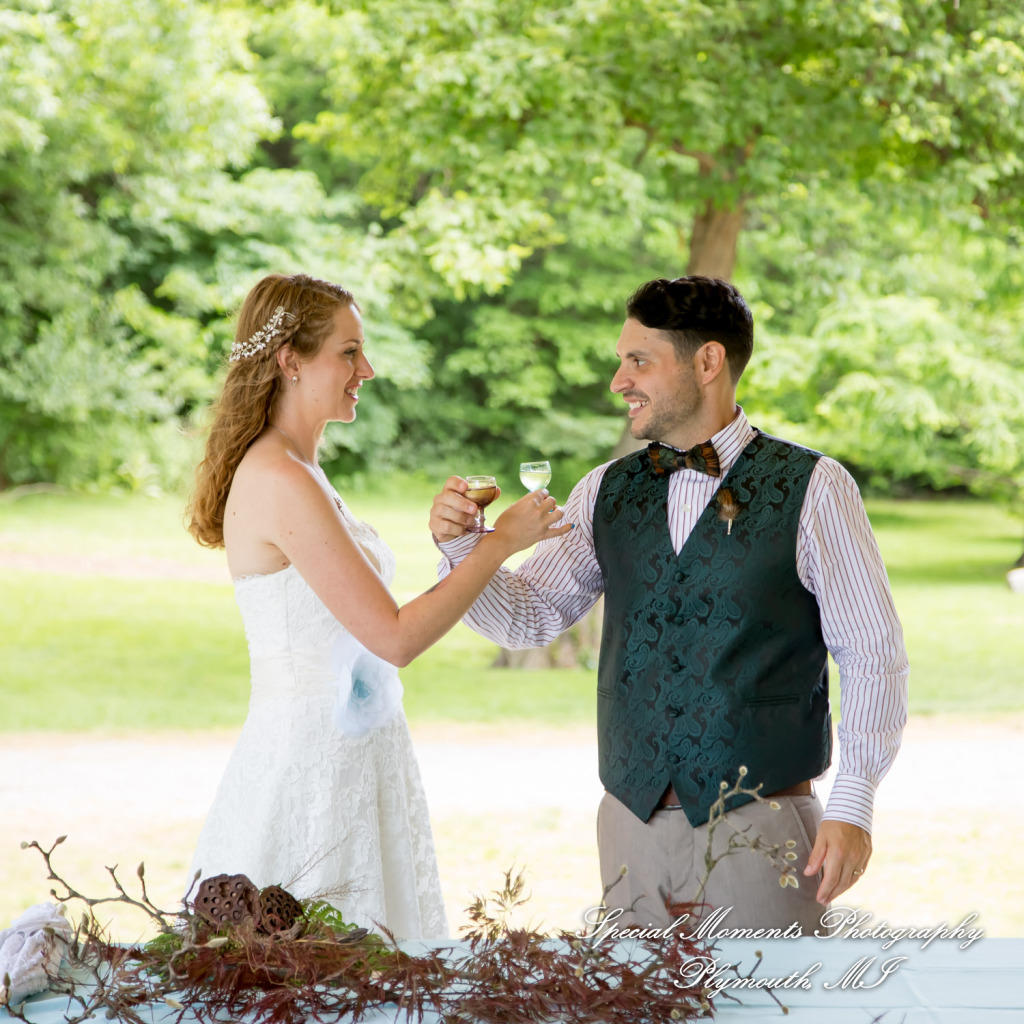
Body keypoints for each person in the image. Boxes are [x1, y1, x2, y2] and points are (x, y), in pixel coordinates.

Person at [429, 276, 909, 934]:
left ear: (707, 362)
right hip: (631, 825)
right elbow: (528, 617)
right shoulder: (605, 490)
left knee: (770, 1009)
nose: (617, 381)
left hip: (761, 826)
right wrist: (463, 551)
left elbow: (872, 653)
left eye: (638, 361)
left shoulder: (815, 488)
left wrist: (853, 806)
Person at [186, 273, 570, 939]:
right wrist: (501, 542)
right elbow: (394, 637)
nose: (368, 368)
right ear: (291, 361)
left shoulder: (304, 471)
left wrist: (461, 541)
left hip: (356, 757)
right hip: (310, 773)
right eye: (349, 352)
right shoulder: (277, 477)